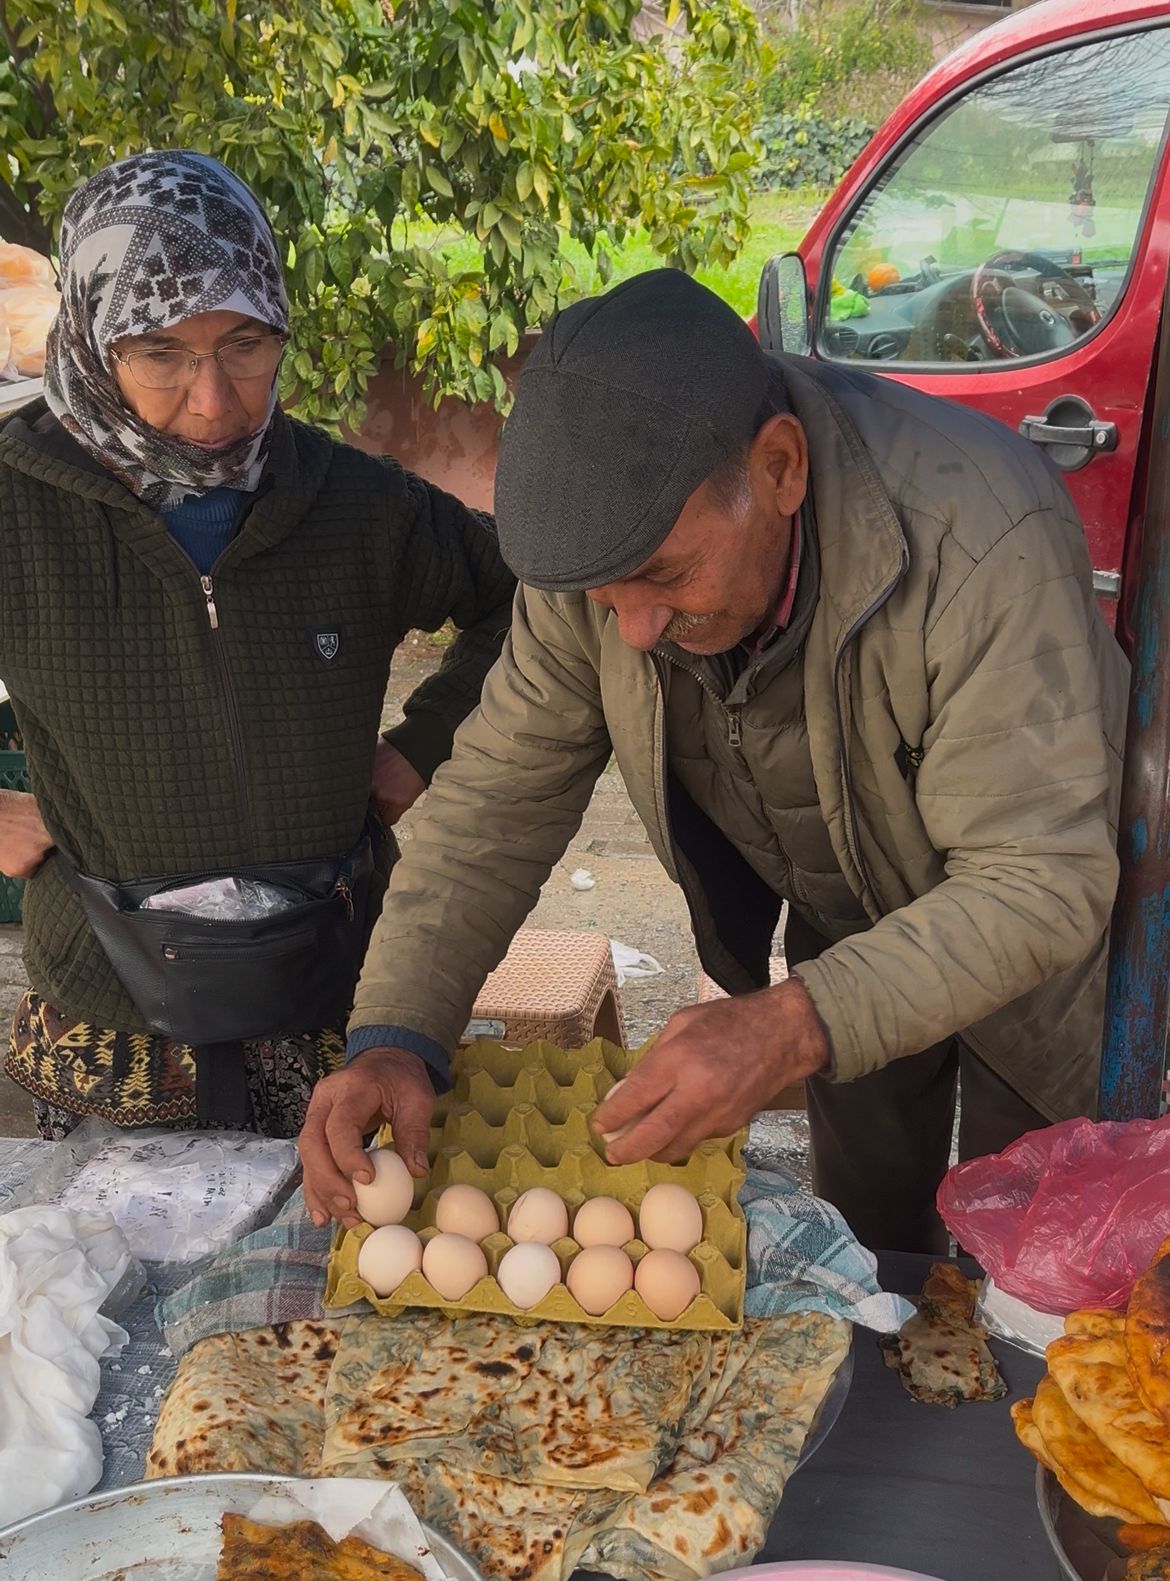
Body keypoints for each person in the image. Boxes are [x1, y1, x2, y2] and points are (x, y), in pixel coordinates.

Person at [298, 268, 1128, 1253]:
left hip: (1030, 947)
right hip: (846, 922)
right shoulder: (599, 561)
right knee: (867, 1244)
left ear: (779, 468)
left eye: (665, 577)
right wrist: (397, 1031)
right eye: (610, 600)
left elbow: (1040, 878)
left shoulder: (979, 536)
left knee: (1031, 1263)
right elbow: (492, 810)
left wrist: (786, 1025)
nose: (637, 632)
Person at [0, 151, 514, 1140]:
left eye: (245, 342)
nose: (214, 398)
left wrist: (421, 744)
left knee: (343, 1289)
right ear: (93, 338)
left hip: (334, 1014)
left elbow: (528, 605)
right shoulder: (19, 507)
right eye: (160, 353)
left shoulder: (356, 506)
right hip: (112, 1028)